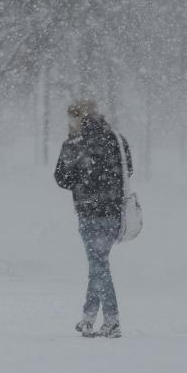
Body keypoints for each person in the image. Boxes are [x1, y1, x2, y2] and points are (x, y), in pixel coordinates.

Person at [54, 99, 132, 338]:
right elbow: (128, 170)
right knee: (98, 265)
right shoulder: (117, 139)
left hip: (90, 213)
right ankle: (88, 317)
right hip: (114, 212)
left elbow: (61, 178)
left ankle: (111, 319)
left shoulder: (74, 144)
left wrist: (83, 178)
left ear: (77, 117)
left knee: (99, 266)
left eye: (71, 118)